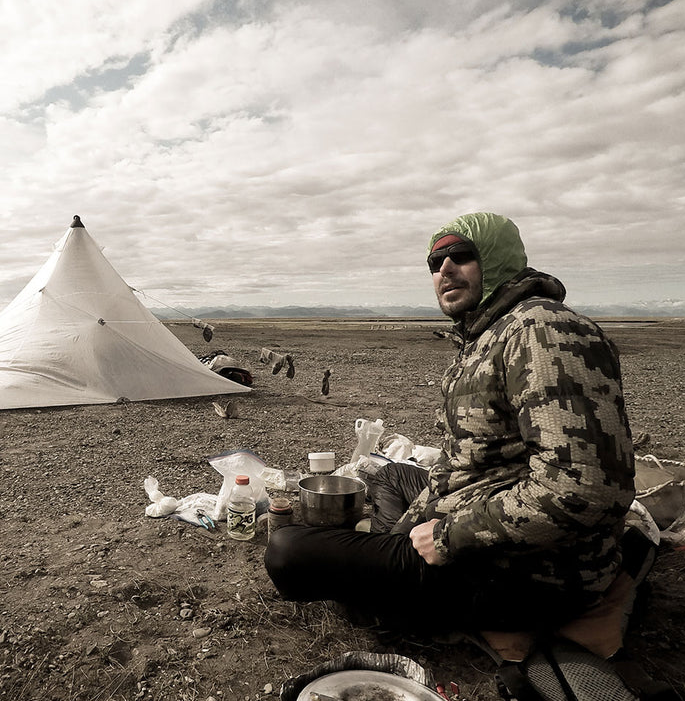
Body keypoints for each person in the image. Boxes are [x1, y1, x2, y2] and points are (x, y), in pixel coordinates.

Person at [265, 212, 636, 633]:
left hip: (528, 572)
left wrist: (447, 537)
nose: (444, 270)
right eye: (435, 262)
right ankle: (393, 558)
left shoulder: (543, 331)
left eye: (461, 256)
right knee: (391, 477)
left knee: (286, 549)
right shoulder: (488, 333)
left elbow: (585, 487)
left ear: (497, 261)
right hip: (472, 505)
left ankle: (392, 584)